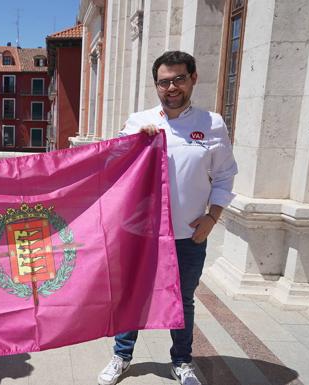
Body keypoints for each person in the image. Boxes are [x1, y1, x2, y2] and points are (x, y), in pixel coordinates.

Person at [97, 51, 237, 385]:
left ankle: (182, 361)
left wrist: (212, 217)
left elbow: (225, 175)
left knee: (182, 299)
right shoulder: (137, 120)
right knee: (134, 293)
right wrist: (132, 143)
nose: (171, 87)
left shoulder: (212, 123)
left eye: (178, 79)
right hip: (141, 232)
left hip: (189, 235)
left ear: (193, 79)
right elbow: (110, 165)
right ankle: (122, 355)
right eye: (164, 81)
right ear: (156, 85)